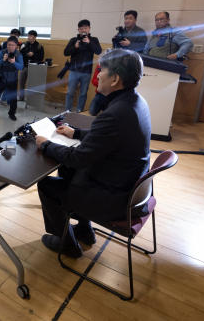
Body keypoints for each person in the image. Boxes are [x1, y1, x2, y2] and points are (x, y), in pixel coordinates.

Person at [34, 49, 151, 258]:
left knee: (47, 185)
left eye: (101, 70)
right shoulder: (135, 101)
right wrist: (76, 132)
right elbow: (110, 135)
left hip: (114, 198)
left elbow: (78, 158)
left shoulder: (115, 113)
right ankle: (84, 230)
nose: (97, 75)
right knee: (67, 170)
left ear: (115, 79)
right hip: (127, 185)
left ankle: (67, 243)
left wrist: (45, 145)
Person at [64, 19, 103, 112]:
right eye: (81, 28)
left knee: (83, 93)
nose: (83, 30)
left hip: (86, 72)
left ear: (89, 28)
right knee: (70, 92)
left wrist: (89, 42)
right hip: (74, 71)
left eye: (86, 28)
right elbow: (65, 52)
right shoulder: (74, 40)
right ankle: (67, 111)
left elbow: (99, 51)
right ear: (78, 30)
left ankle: (79, 111)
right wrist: (75, 46)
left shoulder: (94, 40)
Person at [0, 36, 24, 121]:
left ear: (16, 45)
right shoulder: (2, 52)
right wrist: (3, 60)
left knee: (13, 99)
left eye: (12, 45)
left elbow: (21, 66)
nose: (10, 47)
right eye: (9, 45)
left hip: (13, 80)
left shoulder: (18, 55)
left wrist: (14, 62)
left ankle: (12, 114)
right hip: (1, 79)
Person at [18, 30, 45, 101]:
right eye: (28, 36)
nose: (29, 37)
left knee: (32, 84)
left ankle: (31, 99)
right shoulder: (24, 44)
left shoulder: (39, 46)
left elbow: (41, 58)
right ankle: (21, 97)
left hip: (34, 68)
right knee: (21, 82)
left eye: (31, 36)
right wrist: (26, 54)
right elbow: (19, 54)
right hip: (24, 66)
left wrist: (33, 55)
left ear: (35, 37)